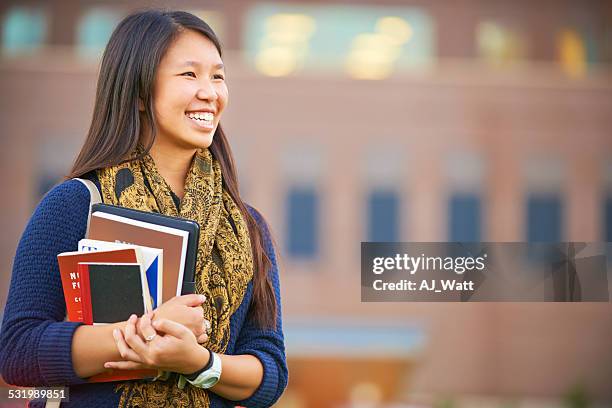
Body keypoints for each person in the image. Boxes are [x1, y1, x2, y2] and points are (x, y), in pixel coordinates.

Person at [0, 9, 287, 408]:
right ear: (137, 92)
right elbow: (17, 351)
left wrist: (200, 363)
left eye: (217, 76)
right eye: (189, 75)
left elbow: (269, 372)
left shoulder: (247, 226)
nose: (209, 92)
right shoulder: (76, 204)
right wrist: (149, 333)